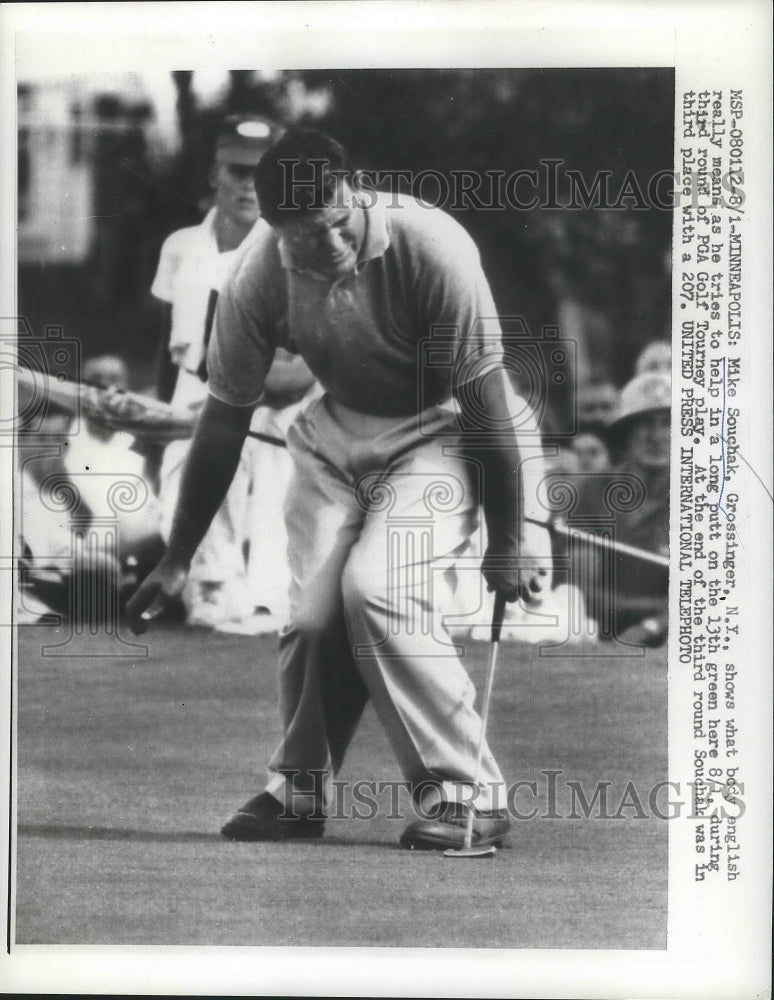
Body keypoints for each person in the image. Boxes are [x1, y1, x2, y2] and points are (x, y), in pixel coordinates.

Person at [128, 128, 552, 851]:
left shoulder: (433, 244)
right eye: (297, 238)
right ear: (270, 224)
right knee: (316, 616)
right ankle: (297, 794)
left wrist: (512, 538)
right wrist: (177, 556)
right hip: (333, 435)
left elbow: (485, 402)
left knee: (376, 590)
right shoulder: (256, 273)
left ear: (349, 192)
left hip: (444, 429)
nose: (319, 251)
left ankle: (469, 796)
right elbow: (224, 420)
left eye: (329, 227)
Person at [151, 115, 316, 631]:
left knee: (274, 491)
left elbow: (305, 363)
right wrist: (152, 429)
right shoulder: (181, 246)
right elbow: (167, 345)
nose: (248, 186)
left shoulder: (294, 249)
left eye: (260, 174)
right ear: (214, 175)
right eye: (237, 172)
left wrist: (244, 401)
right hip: (190, 398)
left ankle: (271, 599)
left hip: (270, 405)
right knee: (185, 483)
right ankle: (213, 590)